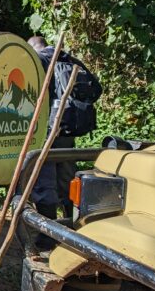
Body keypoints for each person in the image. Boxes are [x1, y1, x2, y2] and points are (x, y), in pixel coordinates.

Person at [29, 36, 103, 226]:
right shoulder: (69, 59)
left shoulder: (38, 59)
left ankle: (49, 231)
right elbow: (97, 89)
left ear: (34, 47)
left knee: (44, 178)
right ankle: (73, 222)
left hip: (47, 127)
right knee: (66, 176)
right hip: (68, 126)